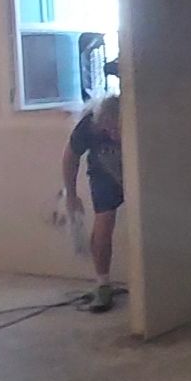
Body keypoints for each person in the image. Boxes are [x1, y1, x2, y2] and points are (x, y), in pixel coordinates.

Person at [63, 93, 123, 311]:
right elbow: (70, 157)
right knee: (103, 225)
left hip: (137, 171)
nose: (114, 135)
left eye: (118, 129)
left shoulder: (139, 118)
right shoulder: (89, 125)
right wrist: (71, 194)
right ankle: (102, 284)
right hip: (104, 175)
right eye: (109, 131)